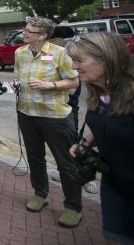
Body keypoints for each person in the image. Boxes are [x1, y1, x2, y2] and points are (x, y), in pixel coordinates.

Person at [66, 32, 134, 243]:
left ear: (107, 59)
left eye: (80, 60)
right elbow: (114, 122)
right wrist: (88, 141)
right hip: (115, 185)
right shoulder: (99, 92)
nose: (74, 67)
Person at [14, 16, 82, 228]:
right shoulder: (20, 53)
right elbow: (19, 77)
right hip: (27, 114)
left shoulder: (60, 53)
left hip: (55, 117)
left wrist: (48, 85)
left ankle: (73, 206)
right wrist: (15, 85)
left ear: (43, 36)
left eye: (29, 31)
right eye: (24, 29)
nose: (24, 33)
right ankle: (40, 194)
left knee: (65, 162)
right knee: (35, 158)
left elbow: (74, 82)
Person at [49, 26, 98, 194]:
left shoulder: (71, 57)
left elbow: (71, 88)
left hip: (69, 106)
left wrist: (49, 84)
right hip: (58, 107)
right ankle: (70, 172)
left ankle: (90, 178)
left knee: (74, 139)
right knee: (67, 143)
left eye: (53, 40)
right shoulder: (56, 55)